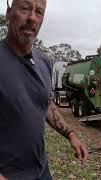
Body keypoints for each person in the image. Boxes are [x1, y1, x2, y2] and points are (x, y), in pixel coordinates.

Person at [0, 0, 89, 179]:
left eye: (39, 12)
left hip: (42, 171)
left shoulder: (44, 61)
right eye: (25, 8)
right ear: (9, 12)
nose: (32, 17)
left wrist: (71, 135)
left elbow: (46, 103)